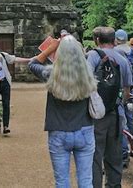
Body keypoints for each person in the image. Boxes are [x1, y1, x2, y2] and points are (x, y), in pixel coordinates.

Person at [29, 34, 97, 188]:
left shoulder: (51, 74)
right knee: (86, 181)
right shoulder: (88, 74)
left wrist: (49, 49)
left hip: (58, 130)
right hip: (84, 129)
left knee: (62, 182)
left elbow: (32, 64)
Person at [86, 27, 132, 188]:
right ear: (114, 41)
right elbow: (127, 91)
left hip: (95, 115)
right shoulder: (123, 60)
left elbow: (86, 84)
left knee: (95, 155)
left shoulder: (92, 57)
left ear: (97, 40)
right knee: (114, 155)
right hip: (116, 113)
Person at [0, 37, 30, 134]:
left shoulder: (3, 56)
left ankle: (6, 126)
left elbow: (15, 59)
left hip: (5, 82)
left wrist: (29, 60)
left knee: (6, 104)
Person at [114, 29, 133, 167]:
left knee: (120, 123)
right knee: (130, 120)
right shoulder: (131, 51)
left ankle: (123, 153)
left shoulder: (115, 51)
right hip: (131, 90)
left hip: (119, 91)